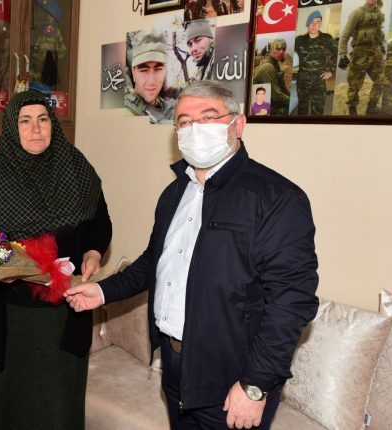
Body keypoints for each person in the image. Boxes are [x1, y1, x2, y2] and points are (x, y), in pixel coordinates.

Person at [66, 80, 319, 430]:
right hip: (175, 366)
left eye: (209, 117)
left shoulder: (277, 198)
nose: (195, 128)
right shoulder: (174, 193)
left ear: (238, 124)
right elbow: (153, 261)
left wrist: (255, 385)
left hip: (234, 378)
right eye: (184, 121)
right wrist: (103, 291)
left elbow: (291, 302)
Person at [0, 90, 112, 430]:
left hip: (68, 310)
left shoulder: (77, 167)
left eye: (43, 119)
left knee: (60, 404)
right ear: (11, 127)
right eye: (25, 121)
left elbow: (100, 221)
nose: (36, 129)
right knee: (17, 402)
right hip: (13, 315)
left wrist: (93, 252)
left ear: (53, 125)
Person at [338, 0, 386, 115]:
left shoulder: (379, 14)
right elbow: (344, 35)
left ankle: (371, 107)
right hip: (360, 53)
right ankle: (352, 109)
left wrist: (381, 46)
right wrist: (342, 55)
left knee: (382, 80)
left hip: (375, 52)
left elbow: (378, 32)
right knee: (354, 84)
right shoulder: (357, 13)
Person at [125, 28, 175, 123]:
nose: (151, 81)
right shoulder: (128, 110)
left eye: (158, 69)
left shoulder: (169, 106)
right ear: (133, 73)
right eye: (144, 70)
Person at [294, 11, 337, 115]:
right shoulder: (299, 40)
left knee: (318, 109)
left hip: (319, 80)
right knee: (302, 107)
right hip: (302, 80)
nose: (314, 25)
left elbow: (338, 55)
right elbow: (288, 55)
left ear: (320, 24)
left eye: (317, 22)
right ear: (308, 23)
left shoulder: (327, 39)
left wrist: (331, 71)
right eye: (311, 22)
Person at [253, 39, 292, 115]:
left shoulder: (275, 64)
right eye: (278, 49)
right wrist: (292, 101)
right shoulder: (268, 67)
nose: (281, 52)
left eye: (283, 49)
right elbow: (276, 96)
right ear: (271, 49)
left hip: (271, 104)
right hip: (263, 109)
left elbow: (283, 88)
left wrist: (293, 99)